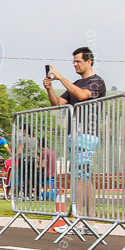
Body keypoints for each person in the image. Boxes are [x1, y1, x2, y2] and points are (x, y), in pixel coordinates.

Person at [43, 46, 106, 214]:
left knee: (81, 175)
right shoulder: (76, 84)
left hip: (87, 134)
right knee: (78, 176)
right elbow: (57, 104)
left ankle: (88, 217)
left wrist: (60, 77)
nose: (75, 65)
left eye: (78, 61)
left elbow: (83, 95)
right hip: (75, 134)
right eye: (74, 62)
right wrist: (49, 88)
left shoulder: (96, 82)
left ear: (89, 61)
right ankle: (84, 217)